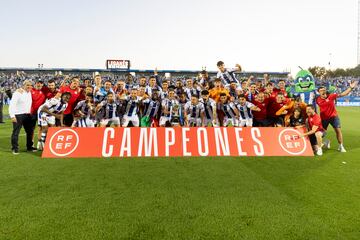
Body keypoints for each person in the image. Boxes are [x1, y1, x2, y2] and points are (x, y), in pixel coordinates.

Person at [315, 81, 358, 152]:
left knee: (338, 131)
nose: (323, 91)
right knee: (321, 134)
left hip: (333, 117)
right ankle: (326, 142)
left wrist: (351, 88)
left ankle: (341, 146)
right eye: (321, 90)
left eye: (324, 90)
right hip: (324, 118)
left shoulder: (331, 96)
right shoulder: (317, 99)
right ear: (319, 92)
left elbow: (344, 94)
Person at [9, 80, 34, 154]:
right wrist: (12, 116)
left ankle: (29, 147)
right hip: (18, 115)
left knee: (30, 132)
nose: (29, 86)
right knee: (16, 132)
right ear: (23, 85)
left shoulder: (30, 92)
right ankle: (14, 148)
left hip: (27, 115)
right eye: (27, 85)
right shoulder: (17, 93)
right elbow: (12, 104)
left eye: (30, 85)